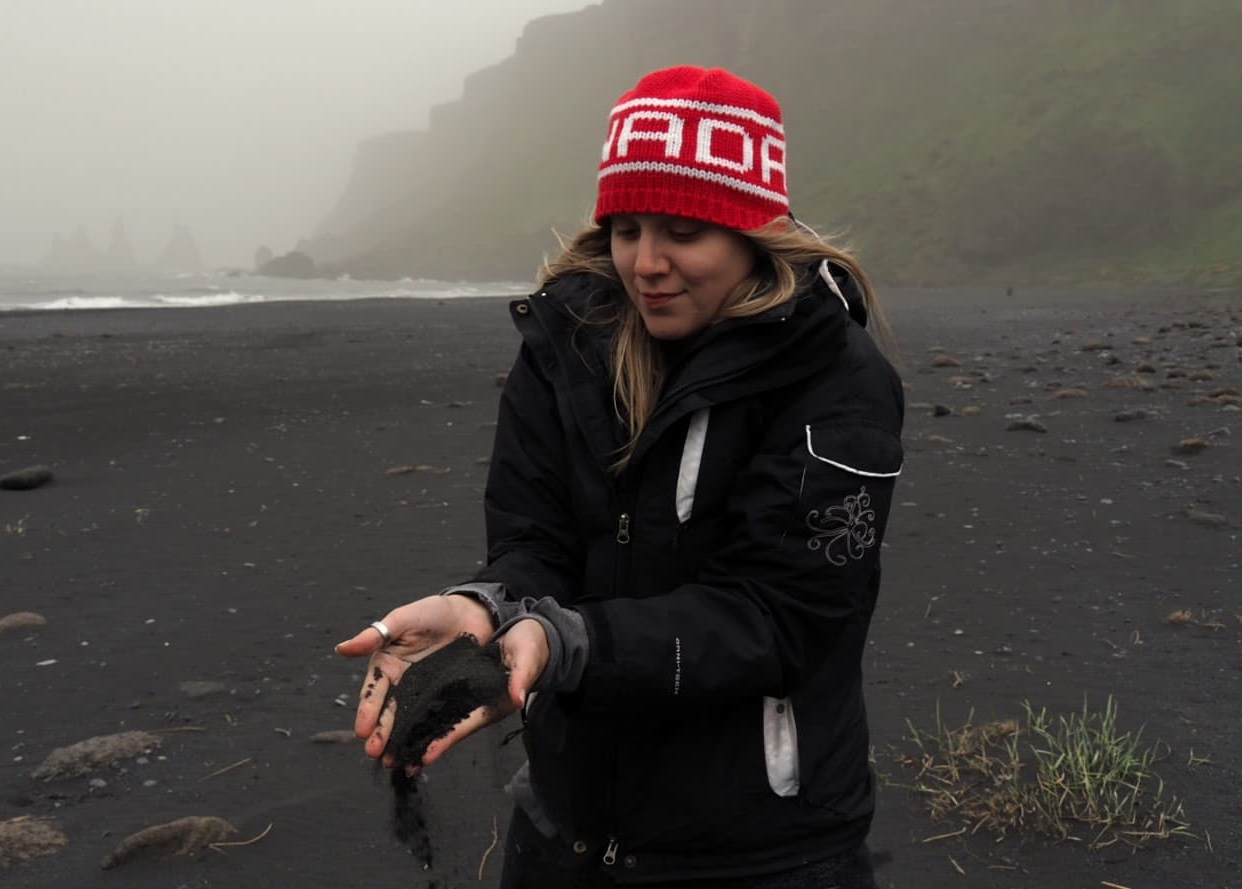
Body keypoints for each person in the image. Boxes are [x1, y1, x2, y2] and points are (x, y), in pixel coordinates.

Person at [336, 65, 905, 887]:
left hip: (762, 845)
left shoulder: (834, 375)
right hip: (566, 819)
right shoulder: (564, 342)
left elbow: (779, 617)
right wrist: (487, 607)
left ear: (754, 232)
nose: (646, 263)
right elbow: (535, 543)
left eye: (682, 230)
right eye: (627, 226)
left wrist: (569, 642)